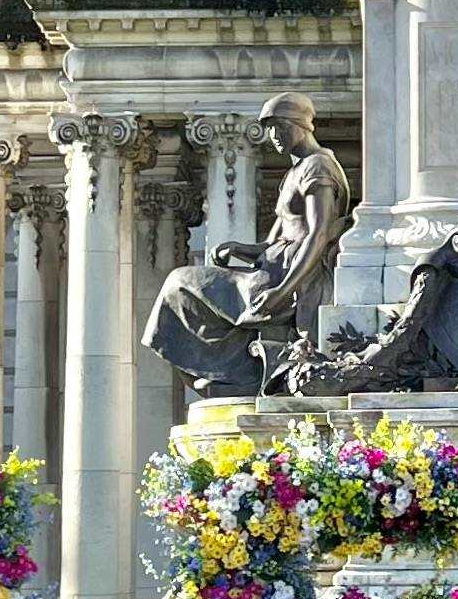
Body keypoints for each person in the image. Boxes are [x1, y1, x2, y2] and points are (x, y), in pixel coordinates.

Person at [142, 94, 351, 392]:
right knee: (181, 288)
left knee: (182, 283)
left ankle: (236, 373)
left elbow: (318, 234)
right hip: (272, 269)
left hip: (292, 280)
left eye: (279, 127)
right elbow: (276, 240)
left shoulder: (317, 166)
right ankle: (231, 372)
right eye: (269, 129)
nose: (273, 136)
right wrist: (240, 248)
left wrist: (282, 292)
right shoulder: (296, 171)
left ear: (300, 125)